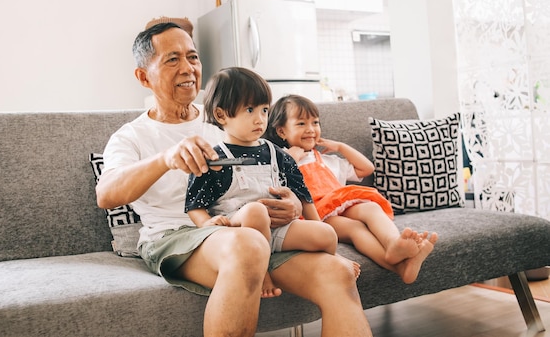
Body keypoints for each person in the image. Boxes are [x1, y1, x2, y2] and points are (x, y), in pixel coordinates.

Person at [95, 21, 373, 337]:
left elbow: (281, 170)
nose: (188, 68)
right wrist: (165, 159)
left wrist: (292, 205)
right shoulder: (131, 136)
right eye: (173, 59)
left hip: (253, 231)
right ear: (144, 76)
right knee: (248, 244)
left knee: (337, 273)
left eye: (193, 57)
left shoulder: (225, 118)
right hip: (176, 236)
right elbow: (107, 194)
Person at [185, 67, 341, 298]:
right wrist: (207, 223)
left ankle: (321, 265)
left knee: (326, 235)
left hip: (277, 228)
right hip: (238, 228)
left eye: (264, 110)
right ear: (221, 115)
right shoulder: (213, 158)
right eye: (250, 110)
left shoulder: (279, 154)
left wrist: (319, 227)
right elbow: (195, 203)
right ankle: (263, 270)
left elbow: (303, 194)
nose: (260, 119)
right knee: (256, 211)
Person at [265, 94, 439, 284]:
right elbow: (276, 187)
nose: (311, 129)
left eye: (315, 123)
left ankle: (393, 245)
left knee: (371, 208)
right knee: (355, 228)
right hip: (317, 215)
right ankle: (400, 267)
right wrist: (291, 160)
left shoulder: (327, 159)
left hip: (341, 205)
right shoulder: (280, 161)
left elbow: (366, 168)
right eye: (301, 124)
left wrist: (341, 147)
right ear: (282, 131)